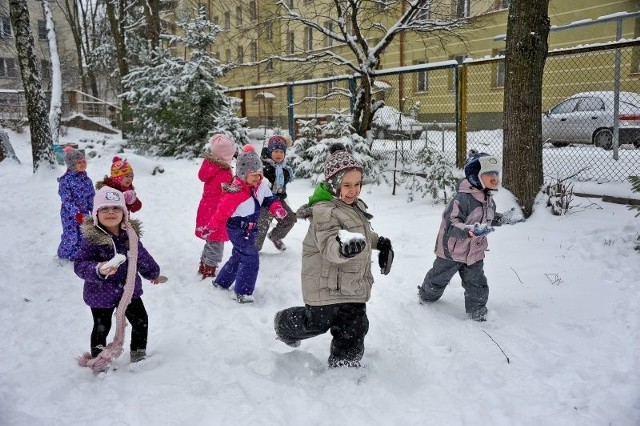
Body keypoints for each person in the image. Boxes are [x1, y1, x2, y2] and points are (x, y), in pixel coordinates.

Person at [273, 143, 394, 368]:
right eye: (346, 185)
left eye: (357, 184)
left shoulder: (354, 205)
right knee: (317, 323)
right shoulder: (324, 211)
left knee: (355, 327)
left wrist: (380, 243)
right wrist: (342, 249)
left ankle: (344, 365)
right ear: (333, 184)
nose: (353, 190)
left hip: (352, 285)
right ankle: (284, 324)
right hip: (325, 284)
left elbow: (361, 233)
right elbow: (329, 244)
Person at [417, 151, 520, 322]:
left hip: (474, 252)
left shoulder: (488, 200)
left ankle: (477, 310)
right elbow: (450, 225)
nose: (494, 177)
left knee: (477, 284)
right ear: (474, 177)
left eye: (496, 173)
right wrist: (470, 230)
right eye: (488, 174)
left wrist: (501, 219)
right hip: (451, 252)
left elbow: (487, 217)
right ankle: (426, 296)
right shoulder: (461, 200)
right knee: (438, 279)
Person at [74, 187, 164, 368]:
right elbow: (80, 265)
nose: (110, 213)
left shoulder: (129, 236)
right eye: (105, 209)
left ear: (124, 213)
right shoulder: (91, 239)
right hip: (100, 293)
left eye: (116, 209)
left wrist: (152, 273)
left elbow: (141, 256)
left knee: (141, 321)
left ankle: (138, 354)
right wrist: (99, 269)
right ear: (96, 214)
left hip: (129, 289)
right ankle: (99, 361)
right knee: (102, 327)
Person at [210, 145, 288, 303]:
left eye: (259, 174)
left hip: (252, 229)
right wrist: (213, 226)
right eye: (253, 175)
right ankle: (242, 292)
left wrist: (276, 208)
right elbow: (221, 212)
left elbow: (269, 199)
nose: (257, 178)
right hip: (237, 228)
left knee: (239, 256)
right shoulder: (235, 192)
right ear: (242, 174)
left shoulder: (261, 187)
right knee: (251, 258)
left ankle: (222, 281)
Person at [195, 134, 236, 279]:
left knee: (211, 240)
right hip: (217, 211)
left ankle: (204, 264)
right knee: (216, 242)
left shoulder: (210, 165)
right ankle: (209, 269)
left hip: (206, 209)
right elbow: (227, 191)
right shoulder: (223, 170)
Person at [256, 134, 297, 252]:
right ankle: (254, 251)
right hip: (264, 202)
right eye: (276, 151)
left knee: (290, 219)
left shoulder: (284, 169)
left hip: (279, 200)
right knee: (262, 227)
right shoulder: (263, 166)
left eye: (281, 152)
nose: (279, 154)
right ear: (270, 152)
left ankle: (275, 236)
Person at [57, 146, 95, 261]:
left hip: (84, 213)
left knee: (84, 235)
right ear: (72, 165)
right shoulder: (65, 181)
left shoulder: (87, 180)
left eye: (84, 161)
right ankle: (63, 254)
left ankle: (76, 255)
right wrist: (76, 212)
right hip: (69, 214)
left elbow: (91, 196)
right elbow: (66, 199)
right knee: (71, 236)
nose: (83, 164)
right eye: (79, 162)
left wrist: (93, 211)